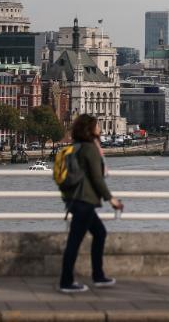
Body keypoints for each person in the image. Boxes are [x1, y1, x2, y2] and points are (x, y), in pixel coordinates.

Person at [58, 114, 123, 293]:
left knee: (100, 233)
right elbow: (97, 178)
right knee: (74, 242)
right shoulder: (90, 149)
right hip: (84, 200)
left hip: (75, 199)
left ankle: (98, 275)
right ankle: (66, 281)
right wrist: (112, 200)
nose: (100, 128)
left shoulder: (76, 146)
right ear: (90, 129)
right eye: (97, 126)